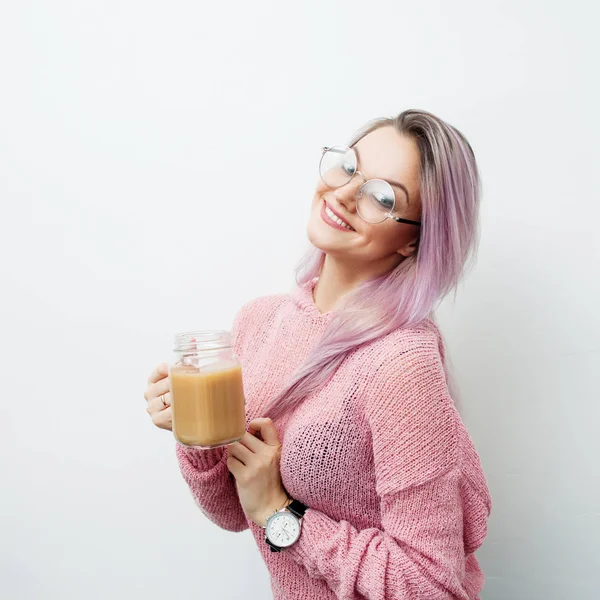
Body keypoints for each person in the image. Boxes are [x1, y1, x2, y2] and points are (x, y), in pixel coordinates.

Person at [144, 109, 492, 600]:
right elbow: (231, 512)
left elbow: (432, 586)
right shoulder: (259, 321)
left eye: (383, 196)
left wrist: (280, 512)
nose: (345, 194)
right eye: (349, 168)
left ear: (413, 241)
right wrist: (198, 438)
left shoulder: (400, 361)